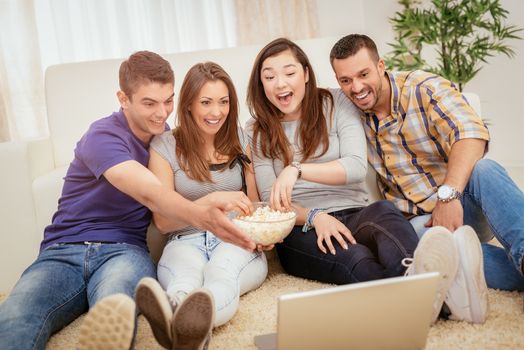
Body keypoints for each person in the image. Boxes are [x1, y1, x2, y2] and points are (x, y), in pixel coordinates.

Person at [0, 51, 257, 350]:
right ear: (123, 98)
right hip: (63, 250)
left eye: (167, 100)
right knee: (17, 313)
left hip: (125, 251)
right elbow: (152, 193)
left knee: (116, 307)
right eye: (149, 103)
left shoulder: (165, 138)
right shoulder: (102, 135)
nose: (162, 113)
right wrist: (207, 209)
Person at [245, 37, 468, 324]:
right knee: (356, 257)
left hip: (354, 211)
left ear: (306, 74)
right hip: (300, 228)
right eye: (269, 76)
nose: (280, 83)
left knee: (385, 214)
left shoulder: (336, 101)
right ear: (261, 84)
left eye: (289, 73)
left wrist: (296, 169)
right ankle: (431, 303)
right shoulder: (257, 129)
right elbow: (271, 202)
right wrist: (315, 216)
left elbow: (355, 167)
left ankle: (419, 288)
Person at [329, 34, 524, 295]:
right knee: (419, 247)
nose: (356, 87)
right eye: (346, 80)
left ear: (381, 66)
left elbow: (471, 133)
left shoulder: (423, 87)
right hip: (422, 221)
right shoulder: (347, 112)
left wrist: (448, 196)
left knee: (484, 170)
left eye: (363, 74)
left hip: (460, 200)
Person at [135, 62, 268, 350]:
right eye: (206, 102)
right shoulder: (164, 146)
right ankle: (178, 317)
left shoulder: (242, 140)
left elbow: (255, 206)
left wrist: (264, 233)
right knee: (184, 279)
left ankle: (184, 326)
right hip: (184, 239)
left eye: (223, 102)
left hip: (234, 237)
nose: (216, 112)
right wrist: (211, 201)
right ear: (189, 105)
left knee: (221, 276)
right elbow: (163, 222)